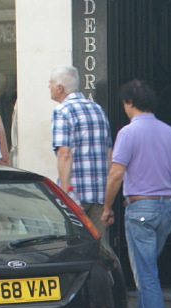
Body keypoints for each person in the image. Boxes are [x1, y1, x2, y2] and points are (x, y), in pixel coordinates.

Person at [101, 79, 171, 308]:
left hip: (140, 208)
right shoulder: (170, 132)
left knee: (146, 275)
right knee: (147, 269)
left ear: (129, 103)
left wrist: (107, 206)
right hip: (167, 208)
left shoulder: (128, 133)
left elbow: (115, 175)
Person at [49, 65, 113, 227]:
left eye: (50, 82)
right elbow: (109, 153)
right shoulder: (97, 109)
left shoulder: (62, 111)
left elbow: (64, 153)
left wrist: (64, 192)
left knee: (74, 246)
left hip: (75, 193)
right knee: (97, 246)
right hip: (100, 194)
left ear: (59, 88)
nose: (47, 86)